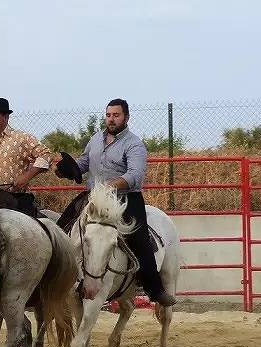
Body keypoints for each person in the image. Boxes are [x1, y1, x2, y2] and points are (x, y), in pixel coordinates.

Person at [55, 98, 177, 307]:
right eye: (109, 115)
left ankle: (154, 289)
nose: (111, 119)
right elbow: (85, 162)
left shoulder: (134, 144)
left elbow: (134, 176)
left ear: (126, 117)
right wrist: (67, 168)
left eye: (116, 115)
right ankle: (58, 277)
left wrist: (107, 187)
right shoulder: (95, 139)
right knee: (61, 227)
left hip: (126, 199)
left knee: (139, 239)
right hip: (93, 198)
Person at [0, 97, 53, 217]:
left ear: (6, 117)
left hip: (15, 200)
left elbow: (46, 155)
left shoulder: (21, 138)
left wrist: (27, 176)